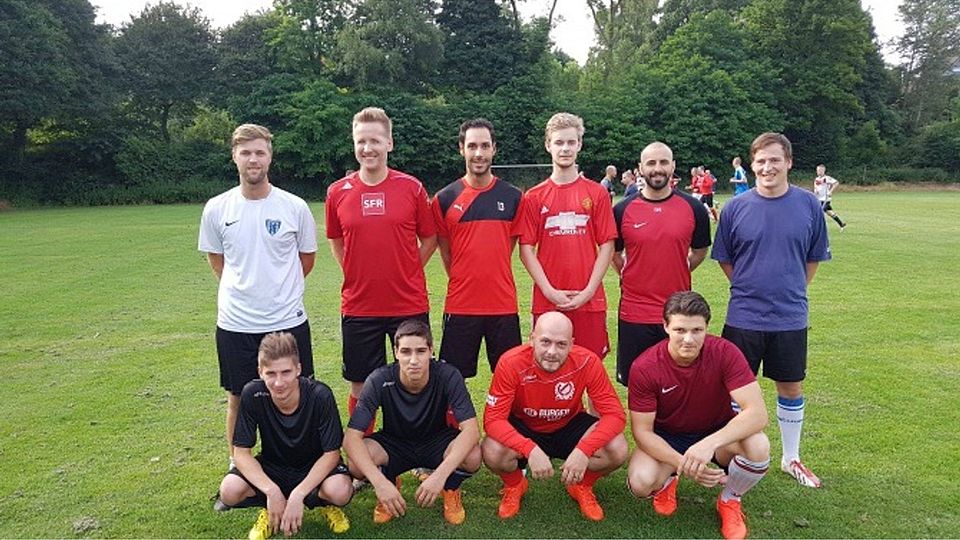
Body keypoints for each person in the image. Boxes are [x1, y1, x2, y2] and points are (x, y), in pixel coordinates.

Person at [712, 132, 831, 489]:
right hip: (743, 316)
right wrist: (751, 288)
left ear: (788, 162)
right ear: (752, 165)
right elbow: (726, 259)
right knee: (735, 391)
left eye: (775, 160)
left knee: (790, 387)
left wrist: (788, 288)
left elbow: (812, 259)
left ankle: (791, 457)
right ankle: (734, 456)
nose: (768, 167)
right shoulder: (735, 208)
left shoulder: (809, 205)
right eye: (761, 161)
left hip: (790, 316)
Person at [198, 124, 317, 462]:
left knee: (300, 394)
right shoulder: (217, 208)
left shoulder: (294, 207)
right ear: (234, 156)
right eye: (246, 152)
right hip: (236, 323)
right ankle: (238, 465)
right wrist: (246, 291)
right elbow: (217, 260)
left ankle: (305, 464)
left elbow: (306, 260)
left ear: (270, 157)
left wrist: (277, 290)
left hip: (287, 320)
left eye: (259, 152)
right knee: (239, 396)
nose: (253, 159)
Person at [325, 107, 438, 432]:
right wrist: (355, 271)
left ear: (389, 143)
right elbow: (336, 240)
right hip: (359, 306)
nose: (368, 148)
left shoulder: (412, 188)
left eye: (375, 140)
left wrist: (407, 269)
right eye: (361, 141)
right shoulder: (337, 192)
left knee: (416, 378)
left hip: (408, 304)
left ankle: (418, 446)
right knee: (361, 385)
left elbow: (429, 238)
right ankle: (362, 447)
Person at [626, 292, 769, 540]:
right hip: (668, 436)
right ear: (665, 326)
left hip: (717, 433)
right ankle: (670, 478)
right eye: (680, 330)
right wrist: (684, 463)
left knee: (759, 445)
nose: (688, 339)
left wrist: (708, 444)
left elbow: (757, 414)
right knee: (641, 482)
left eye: (697, 330)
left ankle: (730, 499)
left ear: (706, 328)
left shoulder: (725, 352)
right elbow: (642, 432)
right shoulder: (645, 367)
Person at [482, 312, 628, 522]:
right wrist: (529, 449)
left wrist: (584, 450)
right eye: (545, 342)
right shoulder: (511, 362)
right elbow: (493, 420)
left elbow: (615, 415)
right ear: (532, 339)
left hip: (569, 424)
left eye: (561, 344)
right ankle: (515, 484)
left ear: (571, 344)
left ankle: (581, 484)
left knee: (617, 448)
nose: (552, 352)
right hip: (525, 425)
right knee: (492, 450)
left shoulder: (587, 361)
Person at [343, 320, 481, 525]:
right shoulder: (379, 379)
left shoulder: (448, 375)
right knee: (356, 463)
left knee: (473, 455)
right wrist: (379, 483)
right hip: (394, 443)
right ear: (396, 352)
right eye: (406, 352)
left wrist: (440, 476)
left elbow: (472, 430)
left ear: (431, 351)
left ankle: (450, 488)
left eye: (421, 351)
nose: (413, 360)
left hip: (437, 441)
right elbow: (351, 438)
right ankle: (389, 483)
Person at [215, 332, 352, 539]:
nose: (279, 383)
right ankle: (270, 508)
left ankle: (324, 504)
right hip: (273, 467)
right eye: (270, 373)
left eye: (286, 372)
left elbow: (331, 454)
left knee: (339, 491)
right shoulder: (252, 394)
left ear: (298, 369)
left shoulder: (320, 395)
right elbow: (241, 453)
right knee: (229, 490)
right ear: (260, 372)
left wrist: (298, 494)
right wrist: (271, 491)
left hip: (313, 466)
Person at [515, 112, 617, 358]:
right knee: (548, 364)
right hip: (548, 300)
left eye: (571, 142)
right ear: (548, 145)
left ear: (579, 145)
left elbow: (607, 244)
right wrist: (548, 290)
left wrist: (589, 290)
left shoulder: (597, 193)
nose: (565, 148)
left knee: (591, 366)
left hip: (590, 300)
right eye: (559, 142)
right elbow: (526, 249)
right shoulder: (534, 197)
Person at [612, 142, 711, 387]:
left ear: (673, 166)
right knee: (636, 381)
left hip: (679, 314)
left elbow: (700, 251)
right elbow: (614, 253)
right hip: (635, 312)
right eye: (651, 163)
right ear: (640, 168)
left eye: (664, 162)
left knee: (678, 380)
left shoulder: (694, 208)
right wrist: (632, 273)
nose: (658, 168)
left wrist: (678, 267)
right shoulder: (622, 210)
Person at [432, 119, 523, 380]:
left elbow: (506, 248)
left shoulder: (514, 197)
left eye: (485, 146)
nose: (479, 153)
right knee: (452, 379)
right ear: (461, 148)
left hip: (503, 305)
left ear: (494, 148)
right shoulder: (444, 199)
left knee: (511, 378)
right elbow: (446, 252)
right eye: (472, 146)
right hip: (461, 305)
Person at [813, 164, 847, 230]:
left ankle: (819, 228)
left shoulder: (827, 178)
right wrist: (815, 191)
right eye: (817, 170)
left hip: (825, 199)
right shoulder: (816, 179)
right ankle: (841, 224)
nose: (818, 171)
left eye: (820, 170)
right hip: (818, 199)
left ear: (823, 171)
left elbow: (836, 183)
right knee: (830, 213)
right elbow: (816, 187)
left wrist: (830, 191)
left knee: (820, 212)